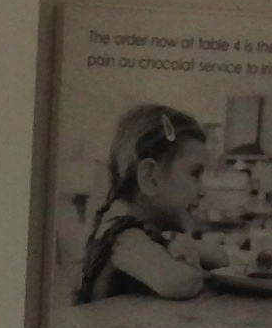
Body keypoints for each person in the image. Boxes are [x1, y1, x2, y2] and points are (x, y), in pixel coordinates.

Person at [75, 104, 223, 302]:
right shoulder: (124, 237)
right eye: (195, 174)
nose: (203, 191)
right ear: (150, 178)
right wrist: (192, 262)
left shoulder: (150, 234)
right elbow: (179, 282)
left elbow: (222, 259)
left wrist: (186, 247)